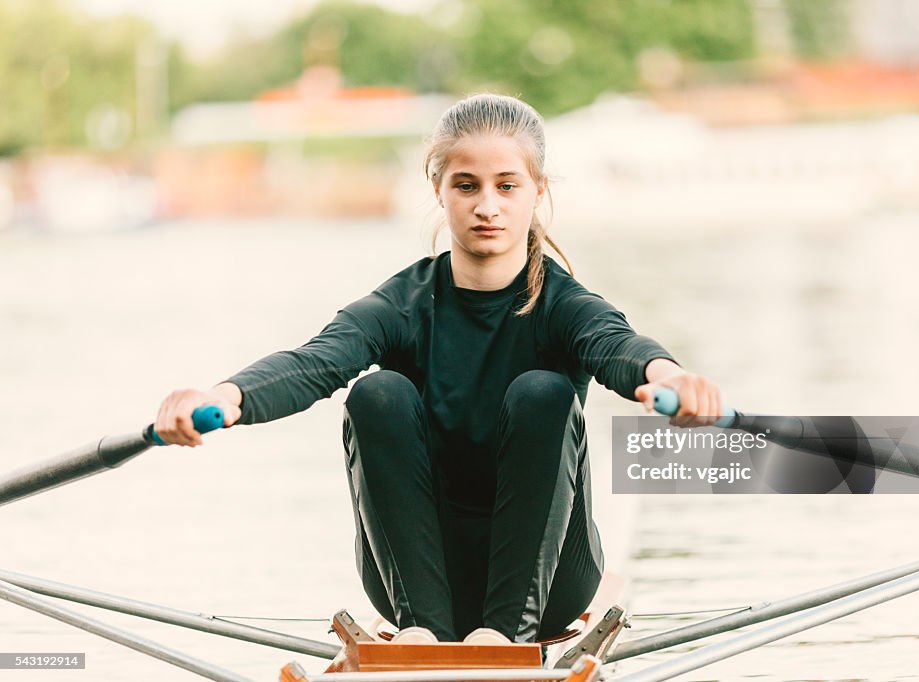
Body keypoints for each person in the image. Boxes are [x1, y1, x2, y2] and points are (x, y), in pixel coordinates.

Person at [154, 93, 721, 644]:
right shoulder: (403, 303)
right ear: (439, 190)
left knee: (543, 393)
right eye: (467, 186)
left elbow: (616, 344)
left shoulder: (562, 305)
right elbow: (314, 361)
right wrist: (226, 396)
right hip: (413, 579)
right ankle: (424, 631)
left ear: (538, 191)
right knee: (377, 393)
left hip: (552, 584)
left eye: (507, 186)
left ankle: (505, 636)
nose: (487, 206)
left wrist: (668, 377)